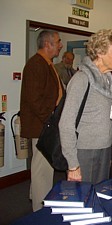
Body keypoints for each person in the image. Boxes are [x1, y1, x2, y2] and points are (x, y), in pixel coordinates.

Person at [59, 29, 112, 184]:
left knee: (97, 197)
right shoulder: (81, 79)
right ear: (101, 52)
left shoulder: (107, 81)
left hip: (104, 150)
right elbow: (65, 124)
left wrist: (107, 155)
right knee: (83, 201)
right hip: (84, 152)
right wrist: (73, 165)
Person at [20, 30, 63, 211]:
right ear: (48, 44)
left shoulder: (46, 63)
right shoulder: (35, 64)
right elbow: (34, 99)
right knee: (42, 170)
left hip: (46, 124)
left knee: (43, 167)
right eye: (58, 42)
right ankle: (40, 210)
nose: (60, 45)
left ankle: (35, 197)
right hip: (42, 126)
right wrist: (50, 121)